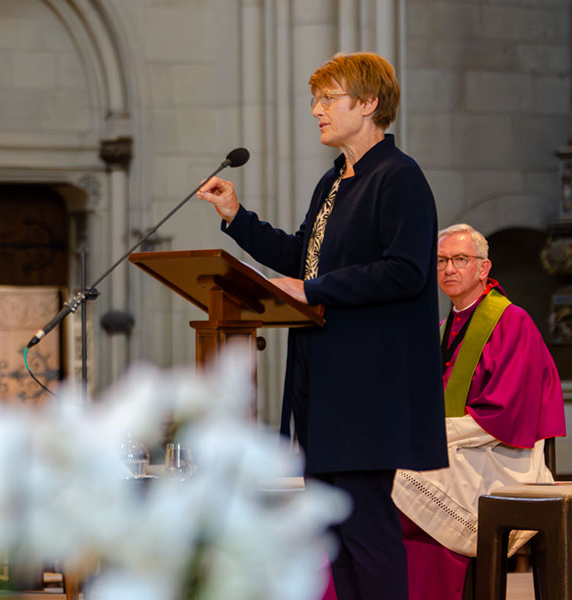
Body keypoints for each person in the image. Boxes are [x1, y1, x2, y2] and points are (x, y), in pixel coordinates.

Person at [197, 52, 448, 600]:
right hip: (324, 376)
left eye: (327, 99)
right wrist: (237, 218)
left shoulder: (398, 177)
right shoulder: (335, 180)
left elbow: (405, 271)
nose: (315, 110)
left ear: (368, 103)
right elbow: (302, 260)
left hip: (367, 387)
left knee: (367, 530)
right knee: (334, 533)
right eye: (315, 100)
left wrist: (312, 290)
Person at [392, 223, 567, 600]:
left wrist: (432, 434)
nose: (449, 269)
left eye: (460, 259)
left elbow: (504, 414)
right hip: (459, 451)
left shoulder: (511, 322)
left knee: (401, 479)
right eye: (441, 261)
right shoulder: (443, 328)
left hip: (500, 454)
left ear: (483, 268)